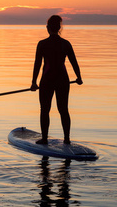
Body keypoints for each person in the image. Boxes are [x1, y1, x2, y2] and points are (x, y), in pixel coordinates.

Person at [30, 15, 83, 145]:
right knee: (63, 109)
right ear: (60, 28)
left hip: (47, 80)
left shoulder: (42, 44)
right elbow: (74, 63)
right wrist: (79, 77)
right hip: (62, 80)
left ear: (47, 28)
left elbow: (37, 64)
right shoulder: (66, 44)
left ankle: (44, 139)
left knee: (45, 109)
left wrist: (33, 82)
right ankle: (67, 139)